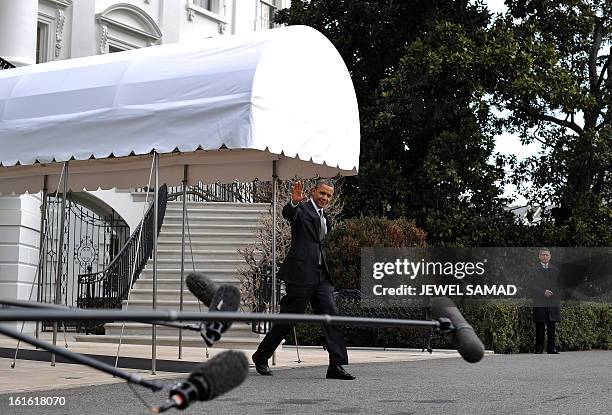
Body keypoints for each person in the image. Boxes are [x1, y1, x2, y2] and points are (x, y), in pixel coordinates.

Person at [252, 179, 355, 380]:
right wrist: (294, 202)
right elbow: (288, 214)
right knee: (289, 318)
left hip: (322, 276)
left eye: (329, 195)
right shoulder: (302, 209)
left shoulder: (327, 219)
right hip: (300, 274)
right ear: (314, 192)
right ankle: (261, 356)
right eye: (322, 193)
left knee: (331, 317)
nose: (325, 198)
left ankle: (336, 365)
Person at [530, 248, 561, 354]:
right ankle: (539, 348)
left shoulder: (556, 270)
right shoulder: (533, 270)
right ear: (539, 256)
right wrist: (543, 292)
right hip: (540, 300)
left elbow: (559, 285)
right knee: (540, 324)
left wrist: (552, 292)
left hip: (552, 300)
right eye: (543, 255)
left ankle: (551, 348)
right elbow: (531, 285)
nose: (545, 257)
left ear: (550, 256)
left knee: (552, 324)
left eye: (547, 255)